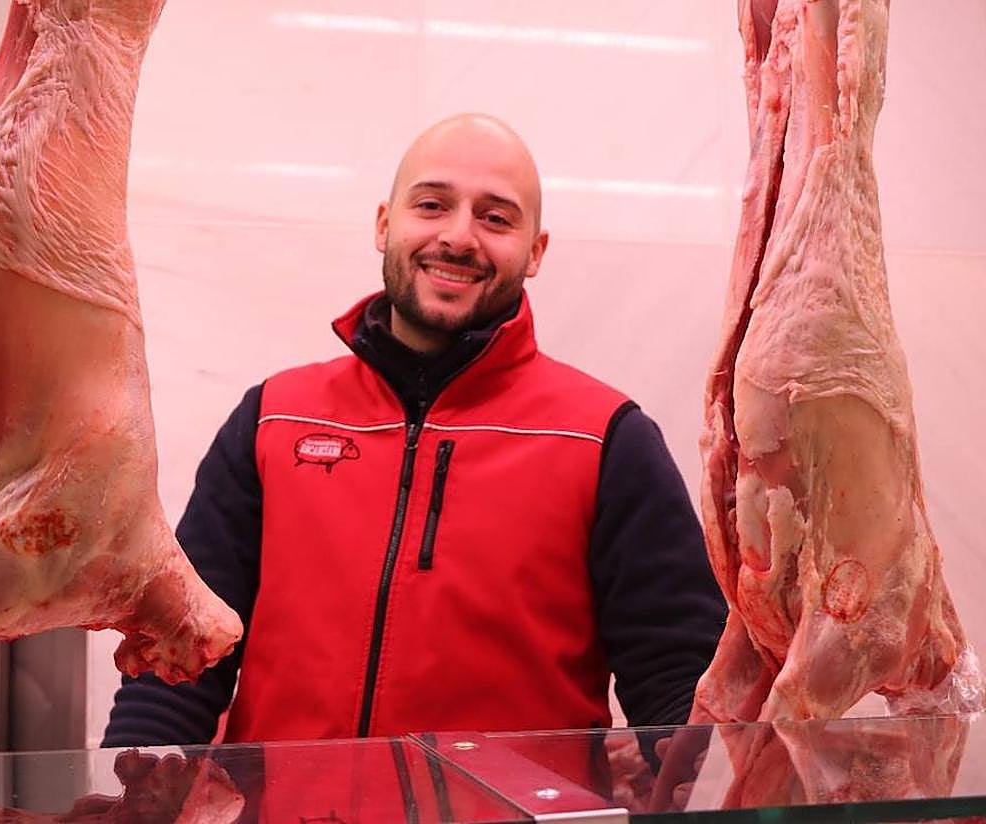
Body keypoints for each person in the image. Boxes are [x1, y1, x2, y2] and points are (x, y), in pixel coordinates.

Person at [103, 114, 726, 747]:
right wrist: (135, 792)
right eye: (432, 205)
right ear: (384, 224)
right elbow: (179, 655)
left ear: (535, 253)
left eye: (497, 218)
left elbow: (678, 682)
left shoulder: (605, 439)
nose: (458, 237)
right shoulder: (275, 418)